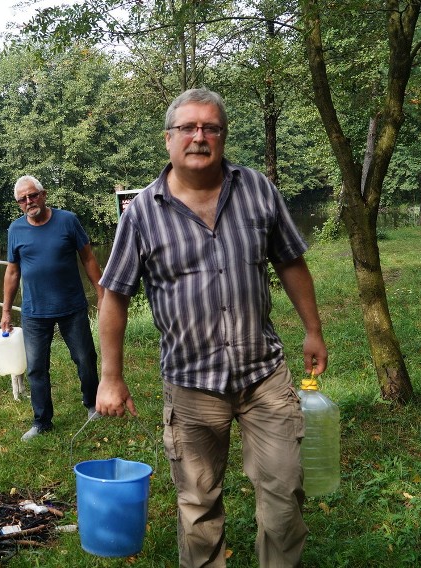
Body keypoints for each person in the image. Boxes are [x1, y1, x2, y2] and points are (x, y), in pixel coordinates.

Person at [96, 88, 328, 567]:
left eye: (211, 127)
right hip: (191, 384)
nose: (199, 137)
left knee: (284, 501)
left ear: (222, 137)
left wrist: (313, 329)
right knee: (199, 509)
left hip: (263, 375)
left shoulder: (257, 189)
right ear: (168, 139)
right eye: (188, 127)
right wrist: (110, 376)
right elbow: (114, 296)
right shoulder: (141, 212)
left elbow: (290, 261)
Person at [1, 175, 105, 442]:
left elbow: (88, 258)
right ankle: (42, 421)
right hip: (34, 312)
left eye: (32, 195)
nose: (29, 202)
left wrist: (102, 294)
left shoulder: (68, 220)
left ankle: (92, 404)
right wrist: (5, 311)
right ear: (19, 204)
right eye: (22, 199)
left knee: (84, 358)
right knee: (36, 367)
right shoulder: (15, 230)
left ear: (43, 194)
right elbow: (12, 273)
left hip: (72, 306)